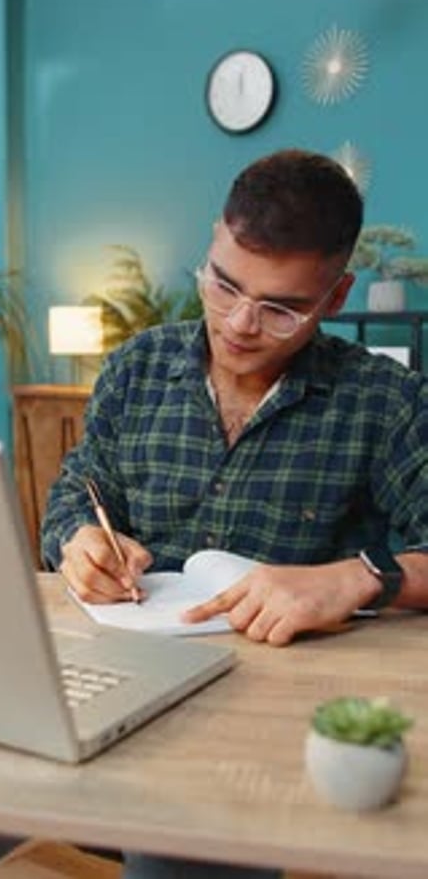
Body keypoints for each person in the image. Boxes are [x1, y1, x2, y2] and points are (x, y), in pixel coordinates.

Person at [41, 148, 428, 878]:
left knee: (179, 851)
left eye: (281, 307)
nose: (241, 323)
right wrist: (79, 538)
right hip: (123, 673)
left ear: (336, 296)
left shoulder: (386, 402)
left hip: (267, 721)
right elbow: (73, 489)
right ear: (213, 241)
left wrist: (356, 578)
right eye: (223, 285)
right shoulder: (135, 368)